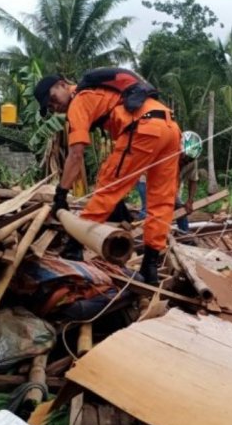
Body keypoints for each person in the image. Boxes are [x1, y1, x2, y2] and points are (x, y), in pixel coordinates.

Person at [33, 71, 181, 285]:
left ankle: (73, 249)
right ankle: (150, 267)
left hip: (143, 128)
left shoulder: (79, 101)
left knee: (107, 188)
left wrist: (61, 193)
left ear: (63, 85)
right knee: (161, 200)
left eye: (52, 98)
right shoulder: (96, 92)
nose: (53, 106)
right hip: (170, 128)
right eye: (49, 106)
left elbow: (76, 154)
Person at [136, 131, 202, 234]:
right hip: (146, 179)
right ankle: (137, 234)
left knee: (180, 209)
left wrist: (190, 201)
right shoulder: (168, 153)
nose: (187, 161)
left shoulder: (192, 161)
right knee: (149, 208)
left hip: (169, 184)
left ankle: (185, 235)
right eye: (185, 157)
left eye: (190, 159)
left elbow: (193, 180)